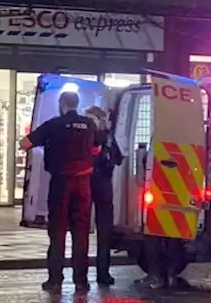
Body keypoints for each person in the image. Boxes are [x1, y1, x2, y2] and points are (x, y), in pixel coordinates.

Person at [21, 91, 97, 292]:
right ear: (76, 104)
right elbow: (97, 147)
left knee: (57, 231)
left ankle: (55, 280)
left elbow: (25, 143)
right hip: (83, 184)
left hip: (61, 183)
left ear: (62, 104)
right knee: (81, 233)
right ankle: (81, 281)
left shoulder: (53, 124)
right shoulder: (89, 125)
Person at [85, 106, 123, 286]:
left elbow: (118, 157)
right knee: (99, 233)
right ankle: (100, 274)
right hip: (100, 186)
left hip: (88, 185)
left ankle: (89, 275)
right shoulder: (106, 137)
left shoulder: (91, 136)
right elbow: (118, 158)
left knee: (89, 233)